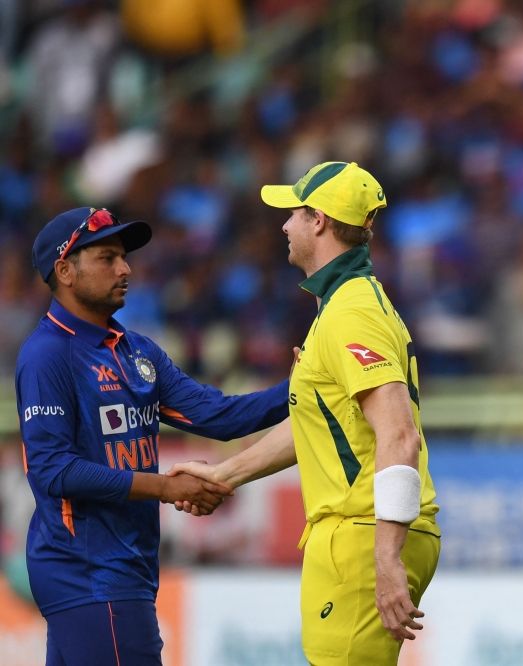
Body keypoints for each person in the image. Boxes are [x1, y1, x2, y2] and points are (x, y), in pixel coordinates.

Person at [168, 162, 439, 665]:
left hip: (360, 532)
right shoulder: (346, 304)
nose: (284, 225)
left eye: (292, 213)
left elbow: (399, 435)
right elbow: (318, 425)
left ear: (318, 220)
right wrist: (224, 475)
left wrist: (385, 555)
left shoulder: (350, 312)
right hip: (362, 532)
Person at [16, 207, 291, 666]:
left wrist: (305, 385)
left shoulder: (138, 351)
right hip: (87, 570)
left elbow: (218, 416)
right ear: (64, 270)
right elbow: (54, 470)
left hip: (126, 566)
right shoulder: (47, 354)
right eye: (107, 258)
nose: (125, 269)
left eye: (123, 257)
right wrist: (165, 487)